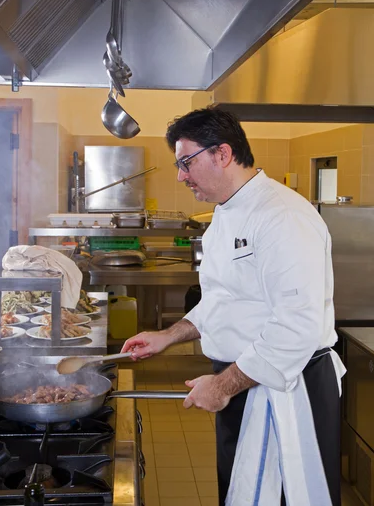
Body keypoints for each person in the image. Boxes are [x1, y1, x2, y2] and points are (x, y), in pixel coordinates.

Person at [122, 108, 343, 506]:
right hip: (243, 380)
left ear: (222, 154)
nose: (180, 176)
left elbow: (296, 328)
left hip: (287, 387)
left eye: (185, 162)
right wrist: (168, 336)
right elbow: (223, 299)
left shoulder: (283, 216)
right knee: (241, 492)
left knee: (286, 495)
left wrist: (223, 385)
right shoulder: (225, 211)